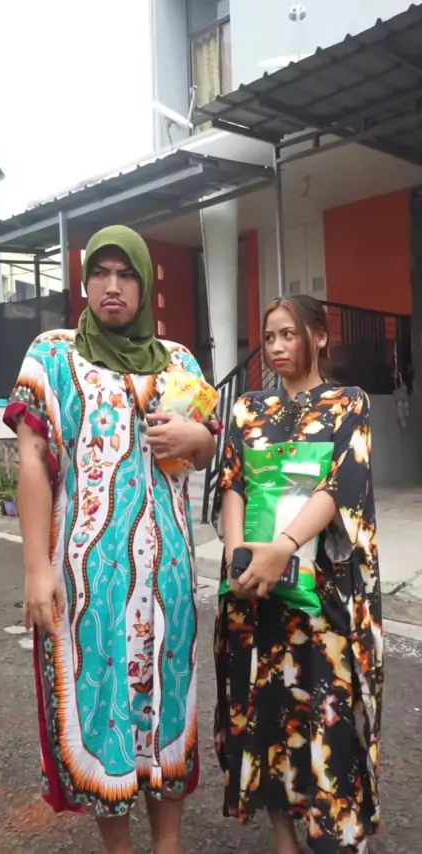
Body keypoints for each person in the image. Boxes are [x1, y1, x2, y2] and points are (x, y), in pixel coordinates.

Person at [4, 225, 218, 854]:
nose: (113, 286)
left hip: (170, 577)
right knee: (104, 708)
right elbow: (32, 457)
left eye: (127, 274)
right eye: (101, 272)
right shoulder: (53, 354)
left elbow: (206, 446)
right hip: (89, 581)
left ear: (146, 284)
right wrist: (36, 569)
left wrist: (197, 440)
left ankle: (169, 844)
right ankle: (120, 848)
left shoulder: (178, 361)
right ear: (84, 281)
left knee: (169, 703)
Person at [213, 294, 382, 854]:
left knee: (328, 715)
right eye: (269, 337)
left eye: (289, 334)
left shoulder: (347, 403)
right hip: (257, 595)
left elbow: (343, 484)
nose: (277, 347)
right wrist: (239, 560)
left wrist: (282, 548)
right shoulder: (248, 409)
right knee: (266, 716)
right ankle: (283, 837)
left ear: (320, 337)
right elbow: (232, 482)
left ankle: (335, 836)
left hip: (322, 594)